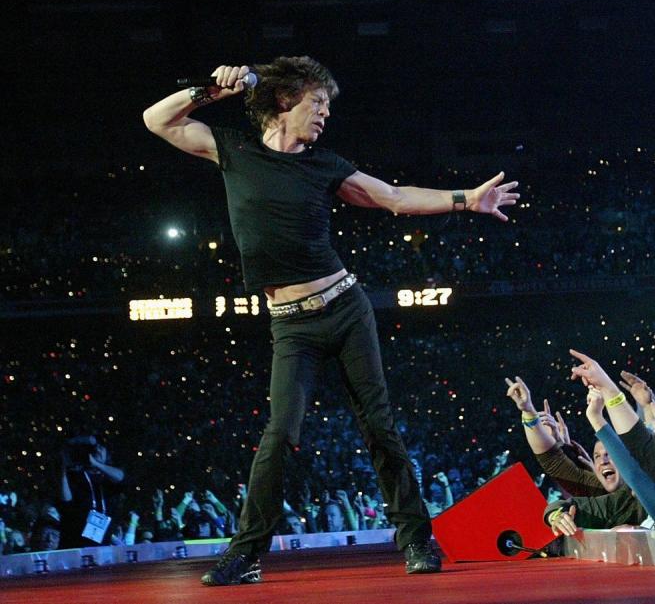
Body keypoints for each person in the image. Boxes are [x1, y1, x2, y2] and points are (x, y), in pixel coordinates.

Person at [143, 56, 519, 585]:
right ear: (283, 101)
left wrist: (466, 200)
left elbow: (392, 198)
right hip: (290, 325)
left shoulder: (325, 164)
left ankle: (416, 541)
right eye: (317, 104)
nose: (324, 115)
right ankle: (247, 554)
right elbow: (156, 119)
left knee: (379, 427)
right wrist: (212, 89)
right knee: (280, 435)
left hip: (345, 309)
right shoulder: (234, 150)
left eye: (326, 107)